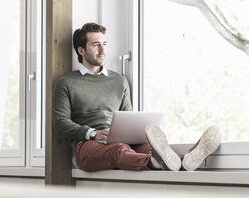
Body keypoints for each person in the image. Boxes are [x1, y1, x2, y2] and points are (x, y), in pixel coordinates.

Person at [52, 22, 222, 172]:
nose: (103, 50)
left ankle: (184, 160)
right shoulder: (66, 83)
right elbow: (60, 123)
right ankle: (163, 162)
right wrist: (93, 133)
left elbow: (128, 117)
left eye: (105, 44)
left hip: (121, 142)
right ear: (81, 50)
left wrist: (131, 134)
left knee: (147, 147)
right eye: (96, 45)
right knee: (118, 150)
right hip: (87, 147)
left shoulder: (119, 81)